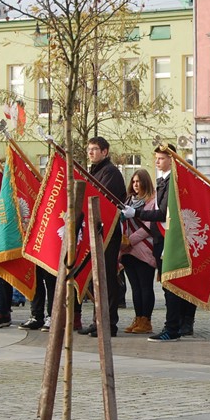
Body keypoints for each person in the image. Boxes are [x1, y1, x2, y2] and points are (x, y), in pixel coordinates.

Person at [130, 144, 191, 342]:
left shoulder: (172, 181)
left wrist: (137, 213)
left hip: (168, 239)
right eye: (156, 158)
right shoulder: (162, 181)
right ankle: (174, 325)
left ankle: (172, 327)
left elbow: (162, 213)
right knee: (166, 286)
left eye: (162, 158)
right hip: (160, 239)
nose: (157, 161)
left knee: (170, 286)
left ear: (172, 159)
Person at [79, 136, 126, 338]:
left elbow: (100, 199)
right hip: (95, 231)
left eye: (95, 149)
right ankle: (97, 320)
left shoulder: (111, 173)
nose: (91, 152)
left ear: (105, 152)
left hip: (107, 232)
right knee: (96, 278)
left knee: (106, 278)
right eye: (89, 149)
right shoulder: (94, 171)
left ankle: (108, 323)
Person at [121, 169, 157, 335]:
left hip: (144, 248)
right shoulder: (128, 200)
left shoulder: (152, 200)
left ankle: (146, 320)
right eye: (133, 182)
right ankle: (138, 317)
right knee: (134, 287)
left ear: (145, 182)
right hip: (128, 251)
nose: (136, 185)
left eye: (139, 181)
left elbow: (149, 227)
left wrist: (131, 239)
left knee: (145, 286)